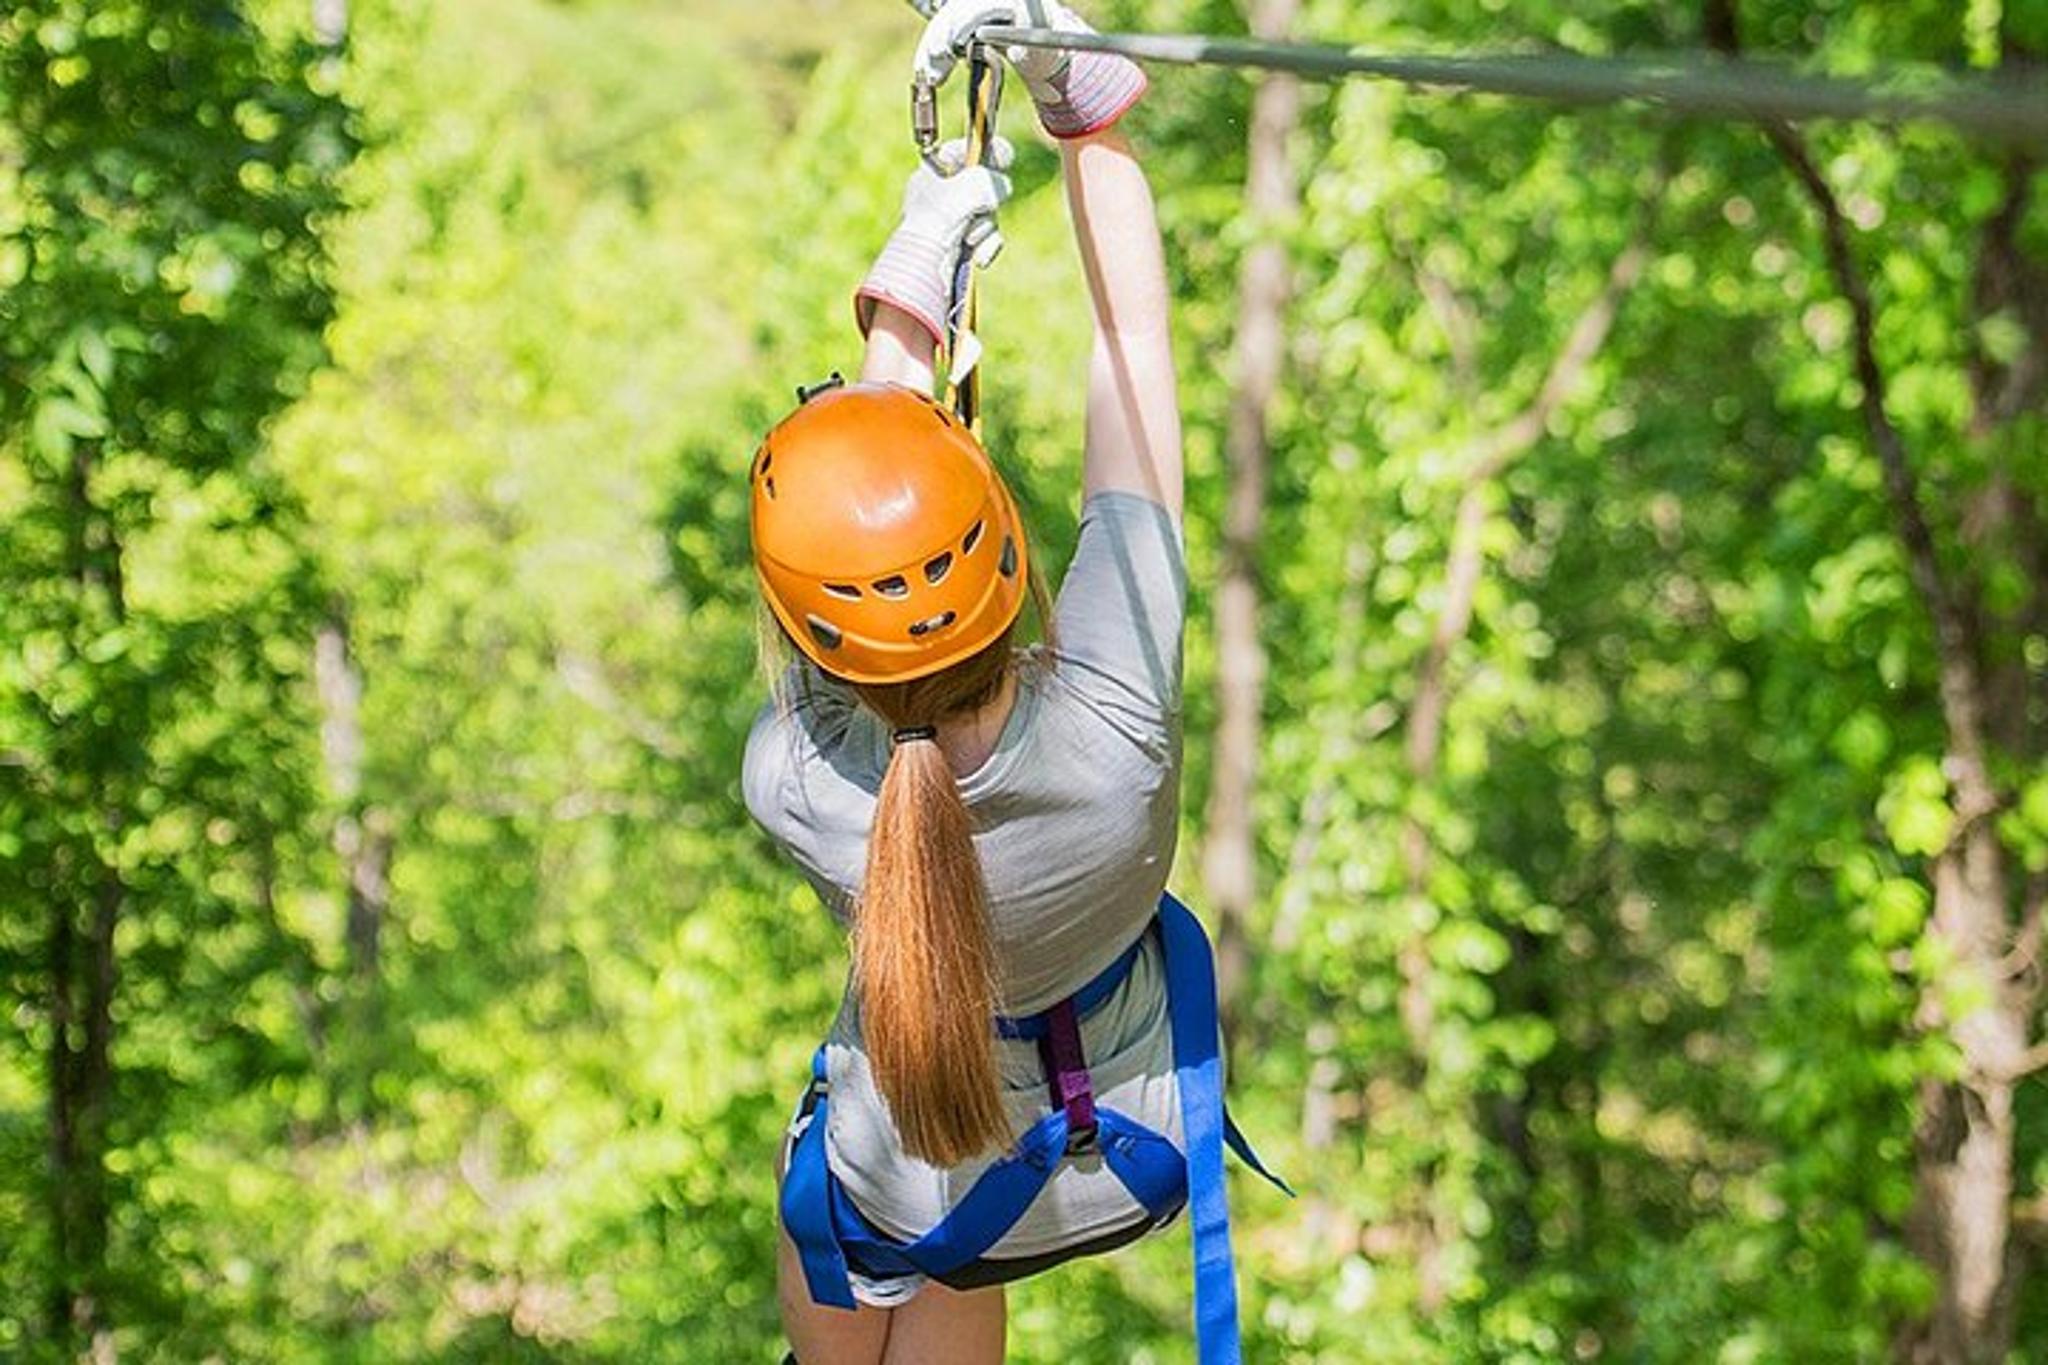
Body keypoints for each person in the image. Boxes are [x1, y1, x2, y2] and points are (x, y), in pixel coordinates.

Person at [745, 5, 1275, 1362]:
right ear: (1008, 550)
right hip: (1102, 1149)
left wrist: (914, 282)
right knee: (960, 1220)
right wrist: (1078, 100)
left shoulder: (799, 785)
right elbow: (1131, 352)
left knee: (907, 1196)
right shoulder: (1114, 732)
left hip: (916, 1173)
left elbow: (855, 531)